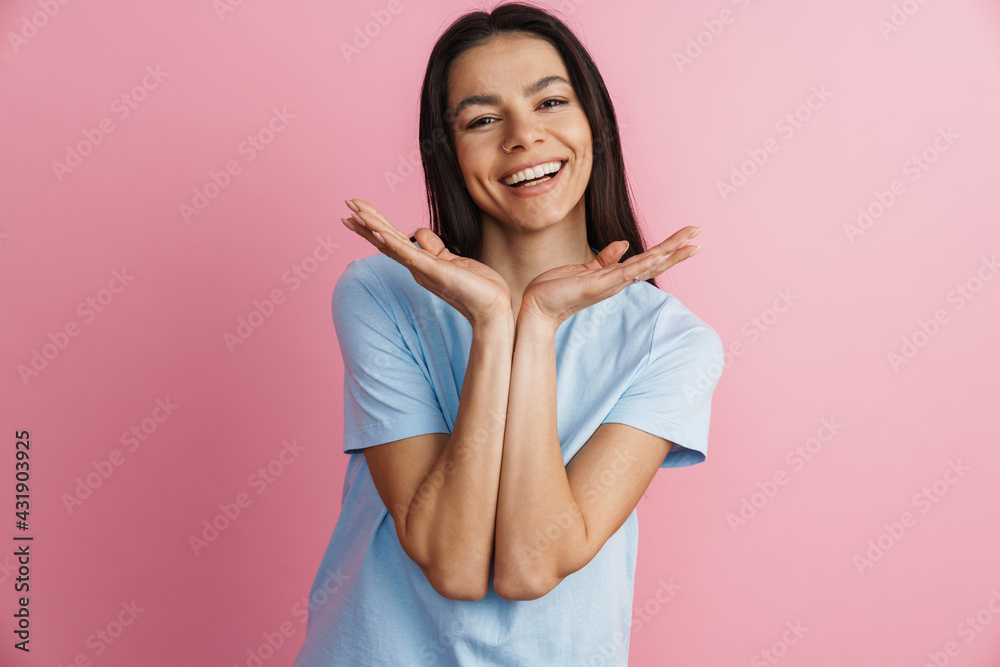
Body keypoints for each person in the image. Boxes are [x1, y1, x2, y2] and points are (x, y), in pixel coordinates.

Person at [293, 3, 724, 665]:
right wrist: (496, 323)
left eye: (550, 101)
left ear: (595, 124)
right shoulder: (380, 292)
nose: (523, 136)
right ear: (448, 151)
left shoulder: (672, 344)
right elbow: (451, 559)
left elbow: (530, 564)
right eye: (483, 118)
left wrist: (539, 322)